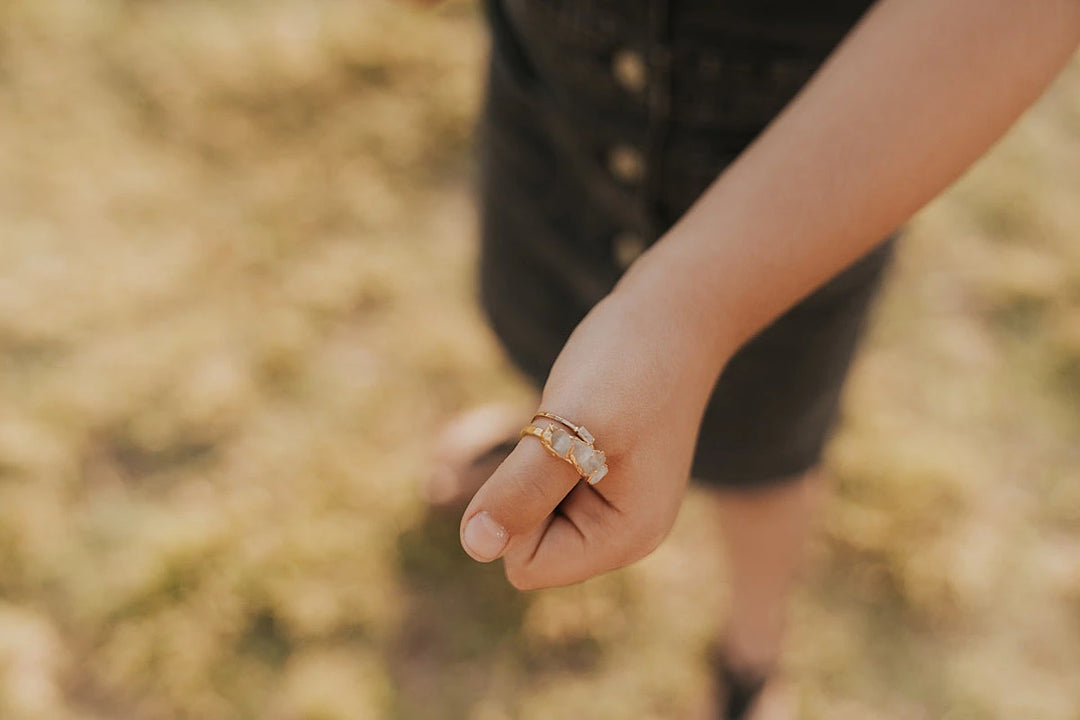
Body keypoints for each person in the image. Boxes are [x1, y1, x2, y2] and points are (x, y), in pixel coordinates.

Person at [423, 1, 1080, 717]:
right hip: (554, 91)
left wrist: (693, 312)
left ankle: (752, 651)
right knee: (554, 331)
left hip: (812, 174)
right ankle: (548, 443)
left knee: (764, 456)